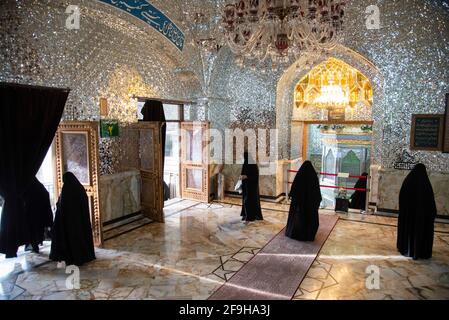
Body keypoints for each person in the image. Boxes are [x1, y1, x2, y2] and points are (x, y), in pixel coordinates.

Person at [50, 172, 96, 266]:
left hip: (69, 223)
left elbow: (62, 206)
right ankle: (82, 256)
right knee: (79, 239)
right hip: (79, 221)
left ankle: (73, 257)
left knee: (71, 240)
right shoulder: (79, 188)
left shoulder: (66, 190)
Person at [397, 164, 436, 260]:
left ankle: (407, 249)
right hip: (422, 217)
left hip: (408, 215)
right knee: (420, 232)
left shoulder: (407, 181)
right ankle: (421, 251)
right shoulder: (426, 184)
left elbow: (401, 198)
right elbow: (431, 204)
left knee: (409, 231)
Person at [286, 161, 322, 241]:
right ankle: (308, 235)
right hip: (310, 205)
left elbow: (294, 189)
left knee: (298, 218)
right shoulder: (313, 177)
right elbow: (316, 192)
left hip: (299, 204)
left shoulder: (299, 176)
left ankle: (295, 232)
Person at [22, 178, 54, 253]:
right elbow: (46, 195)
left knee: (31, 230)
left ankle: (34, 246)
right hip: (40, 214)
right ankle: (37, 243)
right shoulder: (40, 187)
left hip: (30, 214)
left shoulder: (28, 188)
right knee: (38, 229)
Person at [240, 151, 263, 223]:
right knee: (245, 201)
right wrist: (241, 177)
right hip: (246, 186)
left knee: (248, 201)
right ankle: (246, 215)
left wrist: (246, 176)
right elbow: (243, 172)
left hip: (251, 187)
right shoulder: (246, 163)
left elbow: (255, 176)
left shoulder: (253, 165)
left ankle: (250, 217)